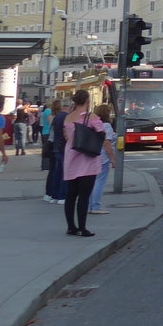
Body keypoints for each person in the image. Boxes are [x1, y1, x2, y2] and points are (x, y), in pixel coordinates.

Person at [63, 89, 106, 237]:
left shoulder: (68, 118)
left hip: (71, 158)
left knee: (70, 195)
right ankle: (82, 228)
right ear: (87, 101)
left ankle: (71, 227)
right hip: (87, 160)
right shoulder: (91, 116)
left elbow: (66, 136)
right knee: (84, 196)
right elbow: (101, 133)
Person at [88, 103, 116, 215]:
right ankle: (95, 206)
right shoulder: (106, 126)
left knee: (92, 182)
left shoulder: (93, 124)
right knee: (99, 182)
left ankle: (90, 206)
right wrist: (113, 158)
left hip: (92, 155)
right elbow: (107, 143)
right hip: (103, 157)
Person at [45, 100, 68, 204]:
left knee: (55, 171)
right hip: (61, 146)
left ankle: (52, 195)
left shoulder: (55, 117)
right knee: (62, 172)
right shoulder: (65, 117)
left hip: (54, 146)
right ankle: (61, 195)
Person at [40, 99, 54, 170]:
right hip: (48, 131)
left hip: (45, 131)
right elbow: (50, 121)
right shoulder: (48, 111)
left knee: (46, 148)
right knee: (47, 149)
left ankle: (45, 165)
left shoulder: (45, 111)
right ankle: (46, 165)